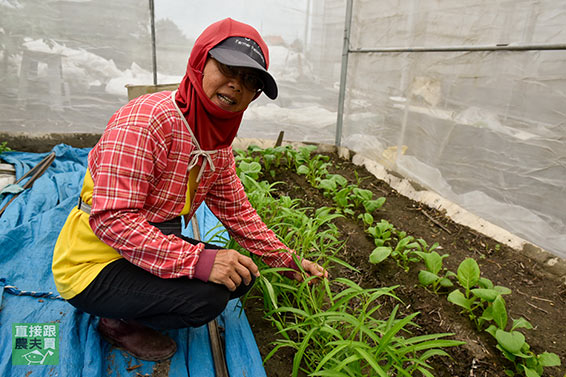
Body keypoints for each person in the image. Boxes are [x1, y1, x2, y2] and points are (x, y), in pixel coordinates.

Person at [51, 18, 327, 362]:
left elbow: (237, 211)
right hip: (95, 261)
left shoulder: (216, 146)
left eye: (249, 80)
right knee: (206, 299)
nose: (236, 85)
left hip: (148, 245)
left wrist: (290, 262)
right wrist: (198, 260)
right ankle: (115, 321)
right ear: (199, 63)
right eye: (227, 68)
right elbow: (112, 221)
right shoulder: (146, 121)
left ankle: (139, 299)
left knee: (240, 276)